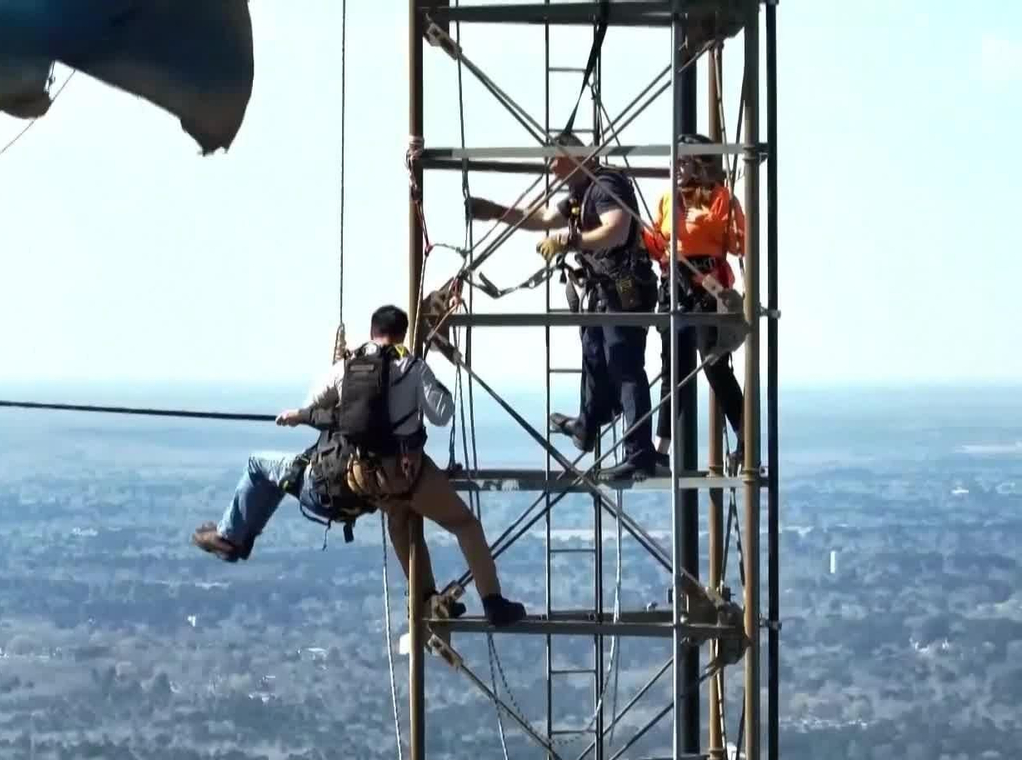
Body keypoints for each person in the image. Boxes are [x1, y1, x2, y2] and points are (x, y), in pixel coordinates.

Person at [191, 305, 526, 627]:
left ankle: (426, 597)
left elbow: (312, 405)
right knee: (464, 524)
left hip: (365, 478)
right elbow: (442, 414)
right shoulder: (411, 367)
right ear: (402, 334)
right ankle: (493, 603)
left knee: (402, 522)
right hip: (408, 473)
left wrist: (331, 385)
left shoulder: (346, 369)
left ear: (372, 332)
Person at [468, 130, 669, 478]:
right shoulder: (581, 193)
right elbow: (543, 219)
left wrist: (572, 241)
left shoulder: (605, 185)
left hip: (624, 287)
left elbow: (617, 231)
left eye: (554, 159)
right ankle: (588, 424)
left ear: (576, 156)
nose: (551, 168)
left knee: (624, 366)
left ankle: (639, 453)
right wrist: (496, 212)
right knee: (593, 355)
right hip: (606, 291)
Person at [643, 133, 746, 463]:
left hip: (705, 286)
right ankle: (661, 450)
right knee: (673, 369)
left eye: (684, 161)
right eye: (674, 161)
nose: (676, 167)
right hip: (674, 284)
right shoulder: (667, 200)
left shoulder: (719, 199)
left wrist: (729, 216)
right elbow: (657, 244)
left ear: (699, 164)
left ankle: (745, 435)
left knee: (714, 363)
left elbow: (738, 244)